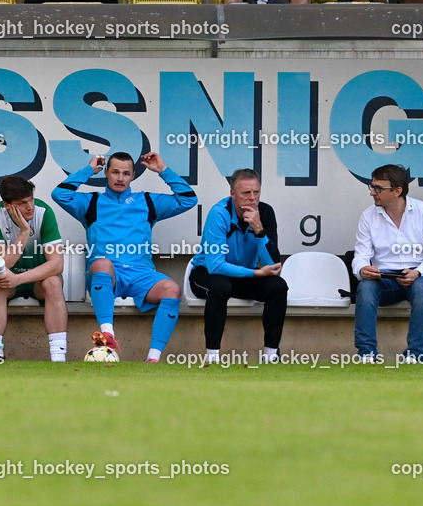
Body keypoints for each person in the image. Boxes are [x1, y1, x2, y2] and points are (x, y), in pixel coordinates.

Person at [52, 151, 197, 362]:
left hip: (141, 274)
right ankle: (108, 334)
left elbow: (188, 200)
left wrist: (163, 171)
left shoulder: (147, 201)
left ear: (133, 175)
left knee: (172, 289)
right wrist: (88, 171)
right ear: (107, 173)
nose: (120, 178)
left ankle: (153, 359)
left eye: (126, 173)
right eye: (115, 172)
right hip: (107, 274)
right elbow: (59, 195)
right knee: (102, 263)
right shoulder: (91, 201)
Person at [189, 169, 287, 364]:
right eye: (245, 193)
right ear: (232, 194)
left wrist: (259, 231)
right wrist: (256, 273)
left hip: (243, 276)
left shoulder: (265, 213)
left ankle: (271, 356)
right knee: (221, 286)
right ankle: (212, 357)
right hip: (205, 274)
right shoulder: (219, 213)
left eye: (256, 192)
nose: (252, 198)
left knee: (278, 287)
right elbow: (216, 266)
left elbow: (273, 265)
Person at [352, 165, 423, 364]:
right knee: (365, 287)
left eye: (378, 188)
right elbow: (360, 256)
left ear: (397, 191)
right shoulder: (368, 216)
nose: (372, 192)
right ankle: (366, 353)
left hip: (420, 275)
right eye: (372, 186)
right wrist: (362, 269)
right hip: (384, 278)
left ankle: (415, 354)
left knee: (421, 288)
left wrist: (418, 272)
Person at [0, 176, 67, 361]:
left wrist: (20, 279)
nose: (30, 207)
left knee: (54, 282)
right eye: (22, 203)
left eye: (31, 200)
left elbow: (57, 264)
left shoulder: (44, 212)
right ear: (7, 205)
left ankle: (59, 355)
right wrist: (24, 232)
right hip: (8, 278)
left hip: (38, 278)